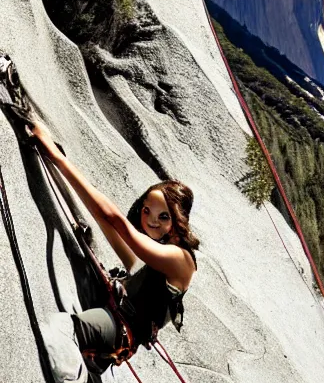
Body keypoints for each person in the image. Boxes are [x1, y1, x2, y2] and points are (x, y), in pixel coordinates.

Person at [24, 120, 198, 362]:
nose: (151, 221)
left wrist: (56, 156)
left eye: (164, 216)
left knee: (60, 330)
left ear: (178, 221)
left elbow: (113, 218)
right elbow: (101, 217)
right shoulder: (153, 255)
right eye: (146, 210)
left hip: (119, 329)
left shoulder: (181, 260)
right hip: (112, 307)